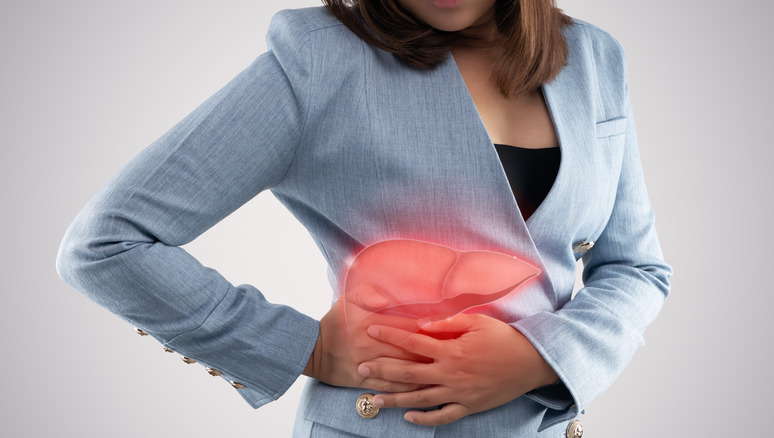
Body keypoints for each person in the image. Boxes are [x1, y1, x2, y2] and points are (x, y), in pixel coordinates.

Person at [56, 0, 672, 436]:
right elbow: (107, 242)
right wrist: (305, 347)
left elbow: (636, 268)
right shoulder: (319, 61)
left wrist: (541, 357)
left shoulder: (592, 58)